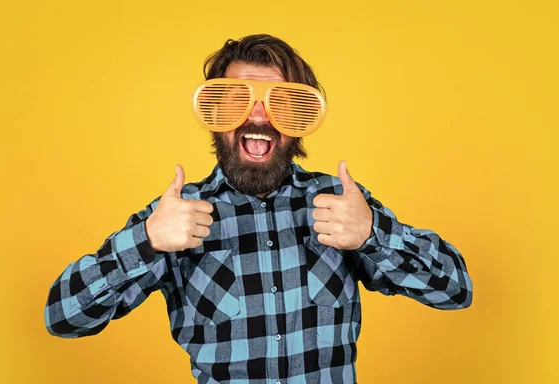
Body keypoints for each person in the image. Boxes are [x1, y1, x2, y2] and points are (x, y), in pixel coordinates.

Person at [44, 34, 473, 384]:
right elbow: (62, 317)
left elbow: (457, 290)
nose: (258, 115)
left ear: (300, 120)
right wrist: (146, 241)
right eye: (237, 99)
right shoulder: (176, 216)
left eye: (283, 103)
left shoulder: (341, 205)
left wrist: (374, 233)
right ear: (215, 113)